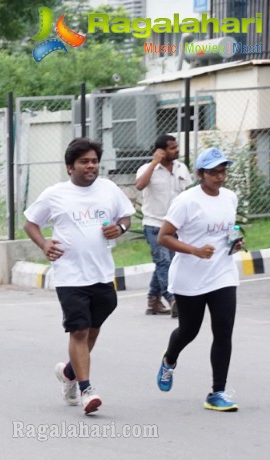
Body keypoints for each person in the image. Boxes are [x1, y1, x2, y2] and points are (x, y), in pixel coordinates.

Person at [23, 137, 133, 416]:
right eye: (84, 161)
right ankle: (86, 389)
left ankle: (69, 372)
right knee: (80, 331)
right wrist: (44, 244)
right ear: (70, 166)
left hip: (102, 273)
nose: (91, 166)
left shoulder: (108, 189)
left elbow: (126, 218)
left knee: (91, 330)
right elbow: (30, 222)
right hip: (70, 276)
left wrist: (119, 229)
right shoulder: (55, 194)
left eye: (94, 161)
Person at [155, 147, 242, 412]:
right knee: (189, 331)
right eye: (214, 172)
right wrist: (195, 250)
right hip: (190, 277)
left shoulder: (229, 197)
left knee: (223, 331)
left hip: (223, 274)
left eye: (223, 171)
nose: (220, 177)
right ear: (200, 174)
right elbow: (164, 237)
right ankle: (169, 360)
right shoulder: (187, 201)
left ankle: (218, 392)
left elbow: (227, 230)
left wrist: (236, 242)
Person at [135, 134, 190, 318]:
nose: (177, 150)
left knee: (169, 263)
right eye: (172, 148)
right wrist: (154, 163)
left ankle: (153, 301)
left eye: (176, 147)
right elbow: (140, 185)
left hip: (174, 226)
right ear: (160, 151)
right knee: (163, 262)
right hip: (154, 224)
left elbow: (187, 195)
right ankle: (173, 299)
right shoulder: (146, 169)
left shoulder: (182, 168)